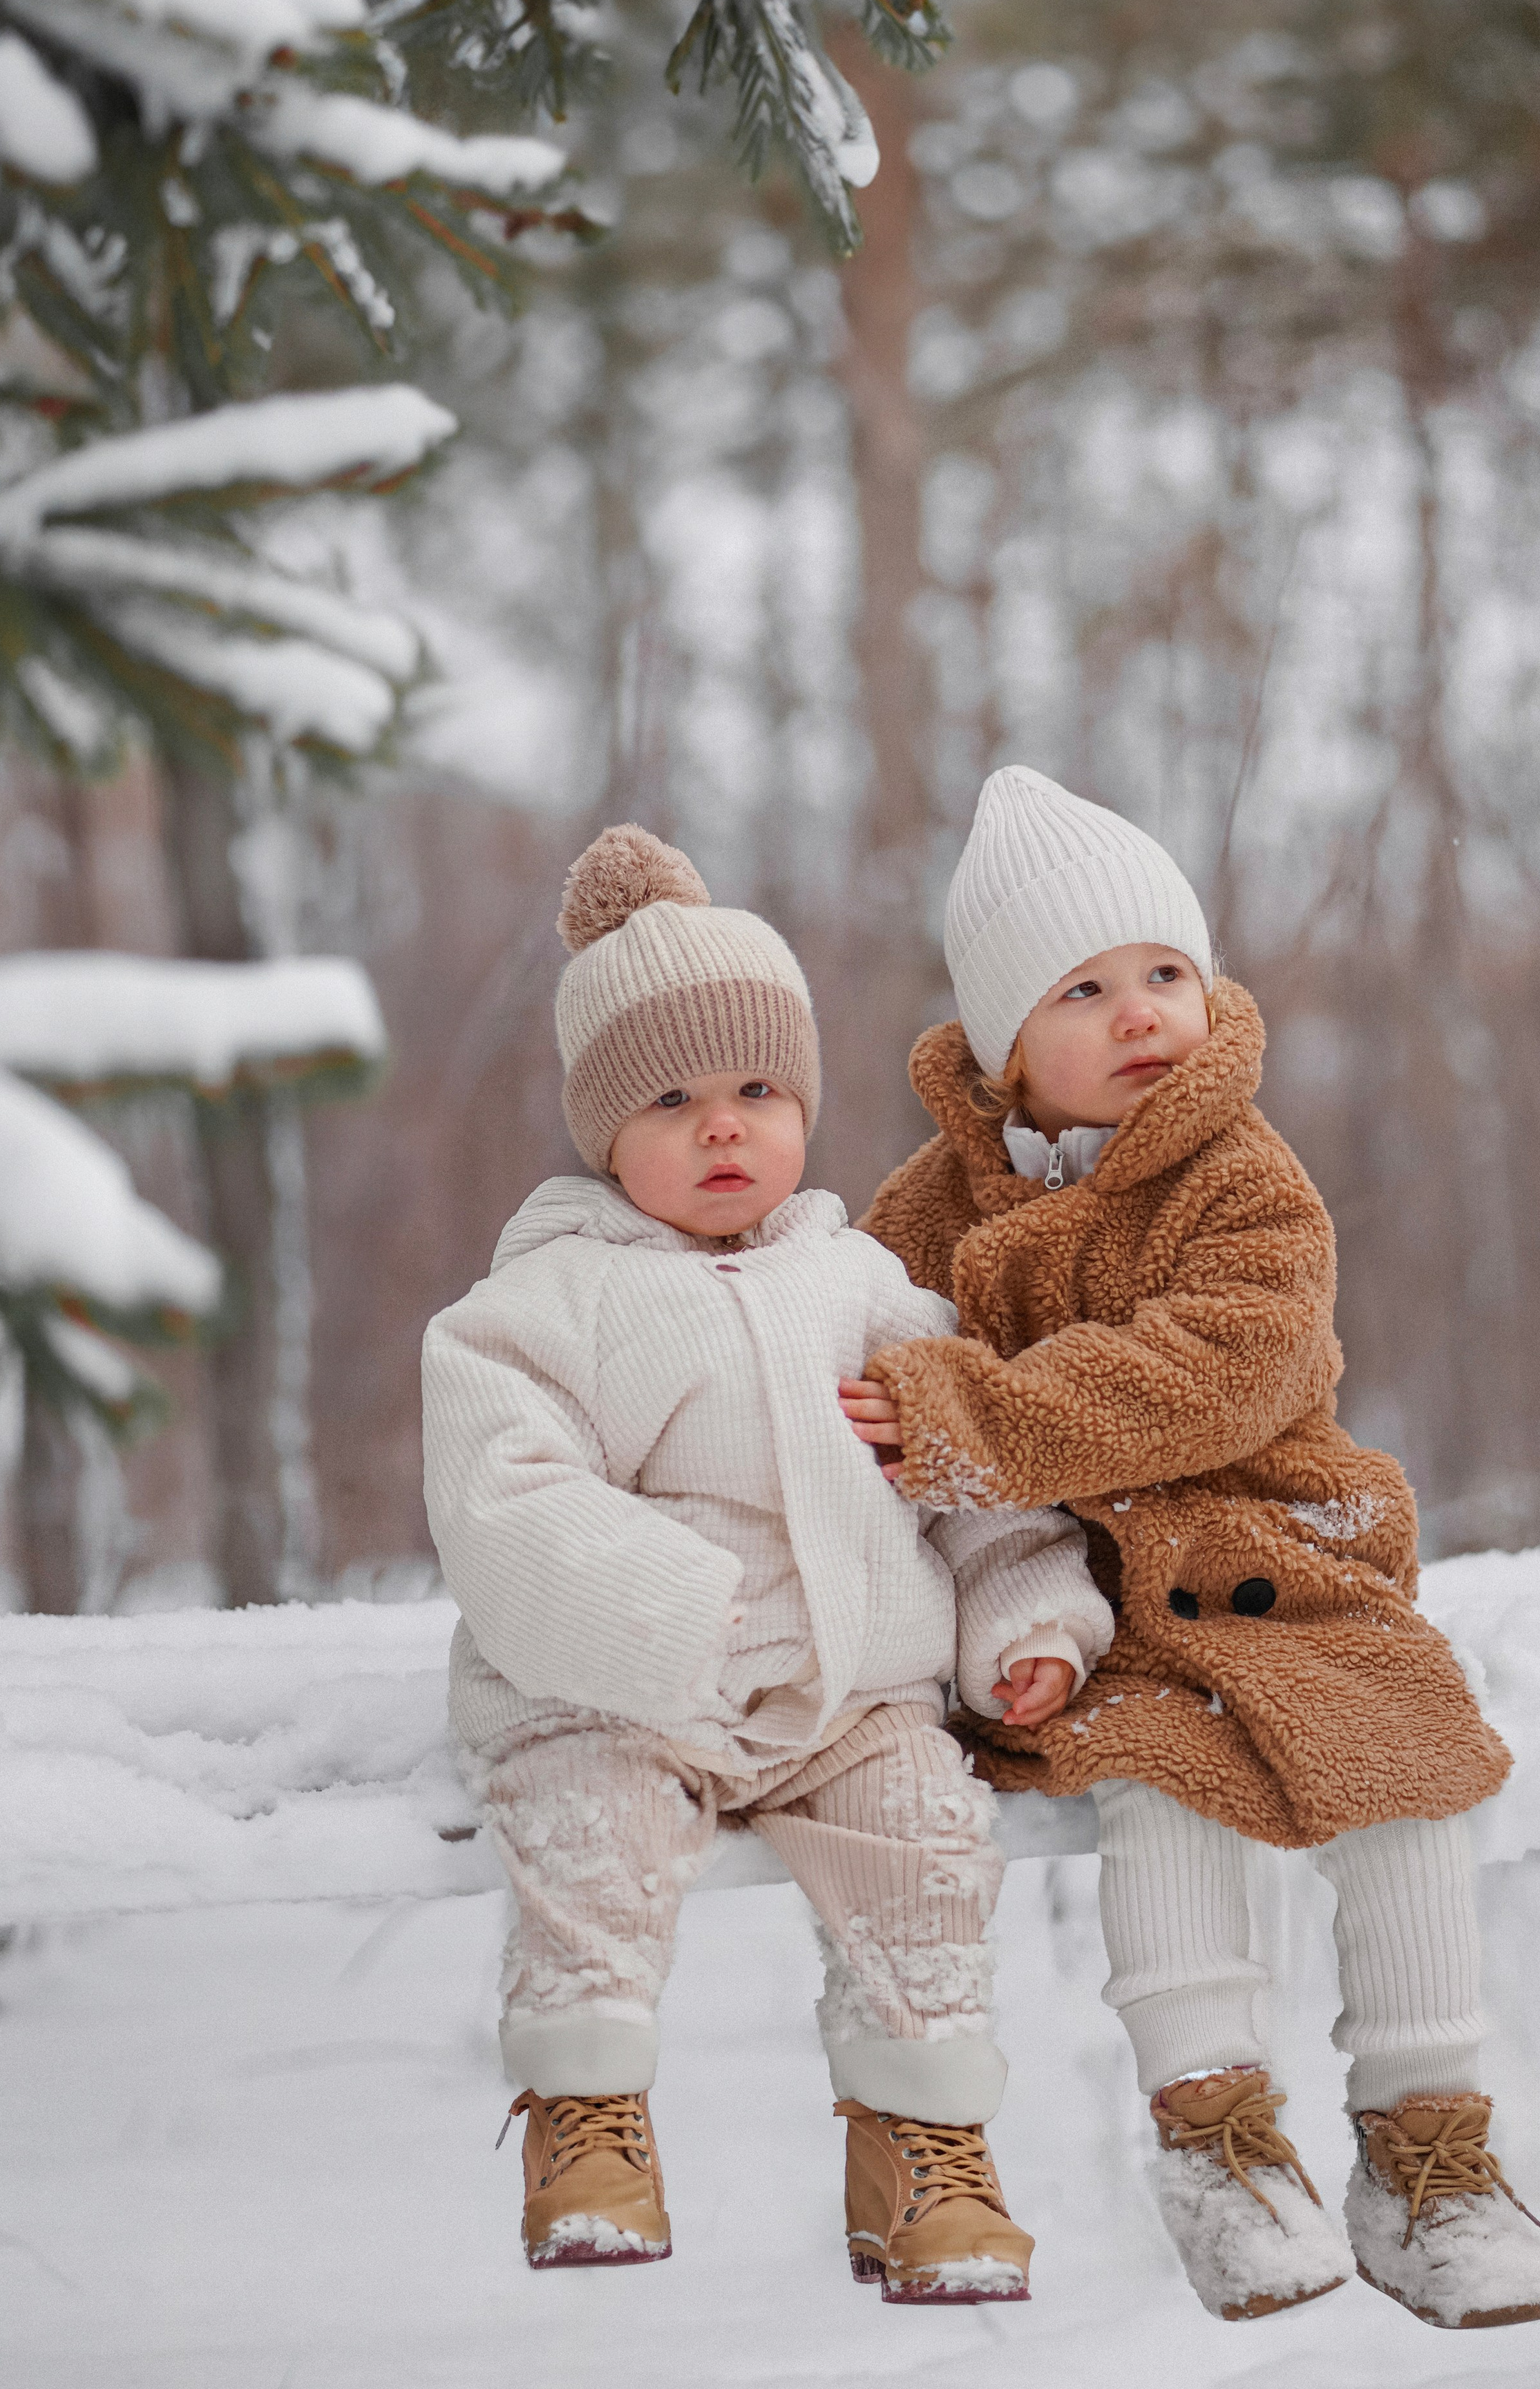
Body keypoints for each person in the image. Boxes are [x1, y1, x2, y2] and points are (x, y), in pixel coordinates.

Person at [840, 765, 1540, 2332]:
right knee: (1157, 1793)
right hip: (1090, 1606)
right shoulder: (927, 1210)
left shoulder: (1240, 1172)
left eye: (1162, 971)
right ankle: (1216, 2147)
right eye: (1083, 989)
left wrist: (967, 1412)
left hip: (1288, 1559)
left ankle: (1431, 2152)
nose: (1139, 1012)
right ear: (1001, 1043)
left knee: (1402, 1783)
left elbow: (1216, 1366)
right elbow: (859, 1351)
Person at [423, 822, 1112, 2299]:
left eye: (755, 1089)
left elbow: (975, 1481)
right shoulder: (545, 1299)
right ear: (604, 1128)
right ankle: (586, 2108)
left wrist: (1026, 1627)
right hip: (629, 1691)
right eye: (672, 1098)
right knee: (584, 1826)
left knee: (927, 1850)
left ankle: (922, 2151)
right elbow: (501, 1498)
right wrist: (676, 1615)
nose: (723, 1126)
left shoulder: (867, 1290)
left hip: (848, 1695)